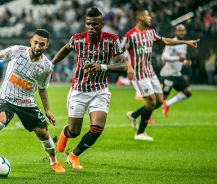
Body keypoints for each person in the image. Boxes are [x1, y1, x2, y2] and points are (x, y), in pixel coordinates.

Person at [0, 29, 65, 173]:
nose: (37, 47)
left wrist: (47, 110)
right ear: (31, 41)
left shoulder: (47, 66)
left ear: (46, 46)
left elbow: (42, 88)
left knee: (43, 133)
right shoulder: (17, 51)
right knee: (0, 121)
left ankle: (54, 162)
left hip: (26, 102)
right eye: (35, 43)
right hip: (6, 97)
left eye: (41, 44)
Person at [51, 7, 134, 169]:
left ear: (102, 25)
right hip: (79, 90)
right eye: (88, 24)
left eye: (95, 24)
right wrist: (51, 64)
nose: (91, 27)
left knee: (97, 128)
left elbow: (123, 65)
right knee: (74, 131)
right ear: (85, 24)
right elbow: (66, 49)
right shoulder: (77, 39)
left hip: (100, 90)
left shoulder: (111, 40)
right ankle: (65, 133)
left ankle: (74, 156)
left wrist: (102, 67)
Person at [121, 9, 200, 141]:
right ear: (140, 17)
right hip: (138, 74)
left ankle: (134, 115)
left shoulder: (150, 33)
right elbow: (118, 51)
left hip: (150, 72)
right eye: (148, 15)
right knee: (151, 101)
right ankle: (140, 133)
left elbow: (165, 41)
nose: (150, 17)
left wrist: (185, 42)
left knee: (159, 101)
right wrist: (128, 66)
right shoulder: (130, 35)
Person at [160, 24, 193, 117]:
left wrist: (186, 62)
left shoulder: (184, 44)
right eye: (179, 30)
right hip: (168, 74)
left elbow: (181, 59)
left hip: (177, 74)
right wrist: (178, 58)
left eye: (182, 30)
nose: (181, 32)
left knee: (188, 92)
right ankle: (147, 114)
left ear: (185, 32)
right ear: (175, 32)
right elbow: (164, 57)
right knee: (161, 98)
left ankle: (167, 104)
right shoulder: (172, 42)